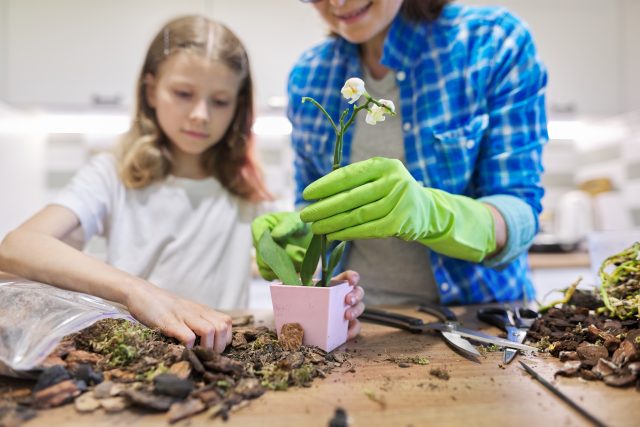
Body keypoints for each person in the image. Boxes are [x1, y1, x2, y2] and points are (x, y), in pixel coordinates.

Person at [0, 15, 361, 352]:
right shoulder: (111, 176)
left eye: (220, 101)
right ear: (151, 90)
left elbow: (300, 279)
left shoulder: (246, 190)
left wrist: (330, 304)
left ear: (238, 107)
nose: (200, 115)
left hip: (215, 357)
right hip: (132, 354)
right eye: (183, 94)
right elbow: (16, 248)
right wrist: (135, 291)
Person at [253, 0, 547, 309]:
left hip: (478, 317)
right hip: (355, 319)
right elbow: (311, 199)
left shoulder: (490, 43)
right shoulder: (310, 76)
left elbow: (521, 214)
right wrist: (299, 235)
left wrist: (433, 214)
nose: (337, 3)